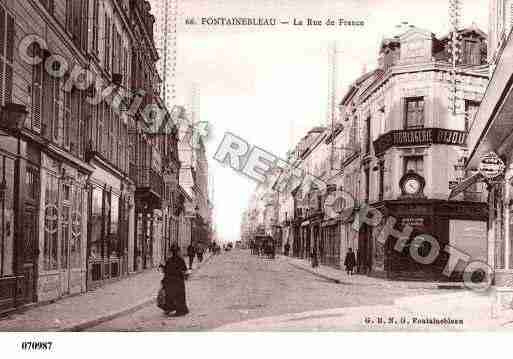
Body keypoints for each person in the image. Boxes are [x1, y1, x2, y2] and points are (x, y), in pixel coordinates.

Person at [161, 246, 189, 316]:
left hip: (169, 280)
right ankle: (180, 310)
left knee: (169, 294)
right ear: (178, 252)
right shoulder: (180, 260)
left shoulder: (168, 260)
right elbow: (185, 270)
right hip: (178, 280)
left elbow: (164, 269)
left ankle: (169, 308)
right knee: (179, 296)